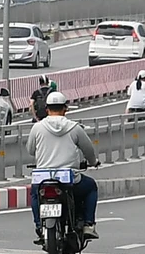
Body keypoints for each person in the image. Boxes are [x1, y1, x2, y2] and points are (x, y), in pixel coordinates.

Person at [26, 90, 99, 242]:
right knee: (91, 187)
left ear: (47, 109)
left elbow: (30, 150)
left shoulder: (37, 128)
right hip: (69, 180)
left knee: (34, 193)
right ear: (65, 109)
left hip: (43, 178)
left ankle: (39, 225)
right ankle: (88, 224)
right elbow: (88, 150)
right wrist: (93, 162)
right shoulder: (74, 128)